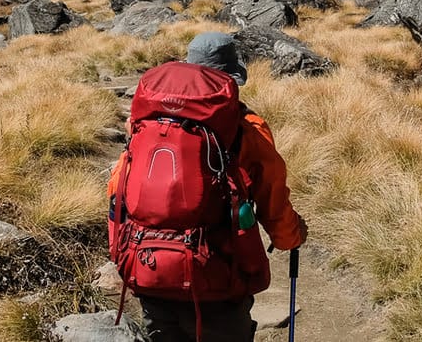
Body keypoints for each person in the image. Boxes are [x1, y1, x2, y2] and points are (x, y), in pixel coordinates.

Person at [107, 31, 308, 342]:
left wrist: (123, 253)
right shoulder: (245, 128)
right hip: (215, 278)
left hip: (149, 270)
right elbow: (272, 195)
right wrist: (290, 237)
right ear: (232, 79)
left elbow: (118, 192)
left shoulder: (148, 124)